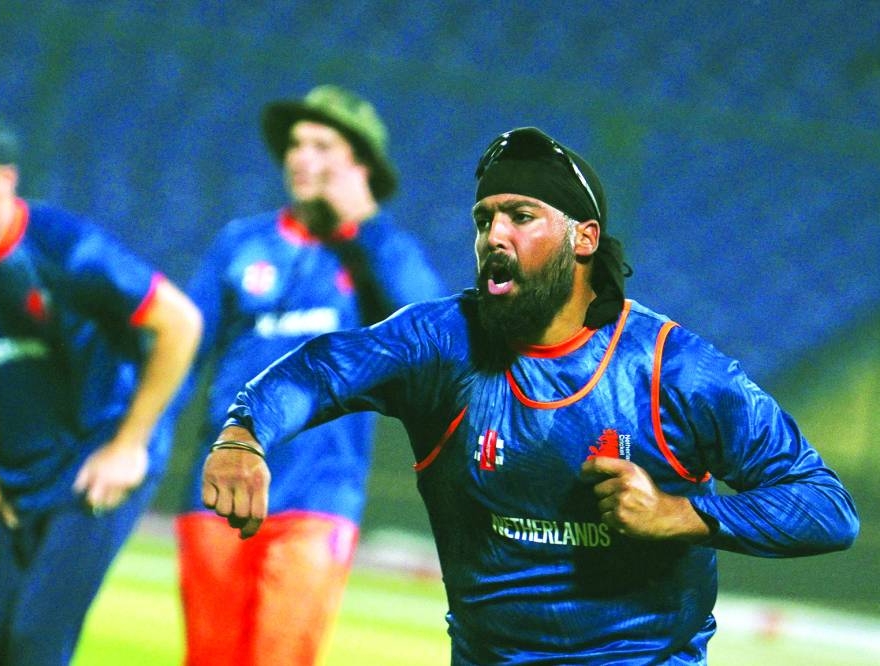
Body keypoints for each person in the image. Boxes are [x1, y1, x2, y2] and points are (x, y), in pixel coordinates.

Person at [199, 126, 860, 664]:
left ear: (584, 238)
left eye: (521, 216)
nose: (495, 237)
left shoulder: (673, 370)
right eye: (484, 219)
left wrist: (679, 515)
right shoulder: (441, 344)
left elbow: (826, 508)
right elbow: (320, 369)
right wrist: (244, 434)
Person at [0, 101, 203, 666]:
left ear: (5, 178)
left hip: (96, 456)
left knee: (35, 642)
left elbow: (180, 322)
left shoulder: (67, 250)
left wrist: (130, 445)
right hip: (19, 465)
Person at [175, 84, 445, 665]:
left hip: (317, 498)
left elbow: (432, 333)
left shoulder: (379, 256)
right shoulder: (241, 243)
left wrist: (366, 224)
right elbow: (182, 352)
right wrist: (137, 443)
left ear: (361, 166)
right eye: (297, 145)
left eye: (323, 146)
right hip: (220, 487)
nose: (301, 158)